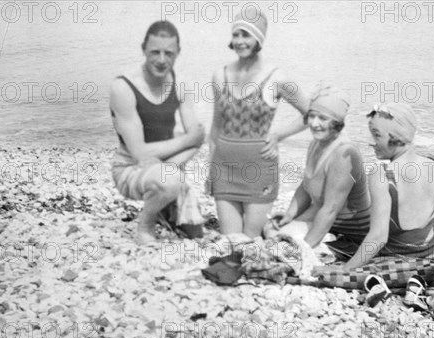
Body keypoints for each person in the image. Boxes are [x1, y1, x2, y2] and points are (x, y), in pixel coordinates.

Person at [207, 10, 309, 238]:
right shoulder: (219, 75)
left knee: (251, 239)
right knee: (232, 241)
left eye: (247, 35)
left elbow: (311, 113)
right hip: (224, 168)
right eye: (236, 34)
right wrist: (210, 169)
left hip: (260, 169)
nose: (240, 41)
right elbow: (215, 127)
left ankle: (271, 235)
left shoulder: (276, 77)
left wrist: (279, 135)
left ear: (259, 39)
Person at [331, 103, 434, 271]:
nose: (370, 142)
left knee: (344, 242)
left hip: (408, 258)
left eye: (376, 135)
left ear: (396, 138)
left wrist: (345, 269)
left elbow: (378, 238)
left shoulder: (382, 174)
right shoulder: (432, 164)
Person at [110, 21, 205, 244]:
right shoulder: (123, 87)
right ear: (143, 49)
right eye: (155, 52)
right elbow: (139, 153)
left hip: (166, 163)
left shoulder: (181, 84)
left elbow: (197, 139)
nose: (162, 60)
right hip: (129, 169)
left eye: (169, 53)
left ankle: (164, 197)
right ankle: (146, 223)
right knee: (169, 181)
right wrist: (187, 140)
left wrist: (168, 164)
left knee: (194, 233)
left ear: (178, 53)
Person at [265, 85, 371, 260]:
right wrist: (290, 214)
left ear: (337, 123)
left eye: (322, 118)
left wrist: (304, 250)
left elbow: (331, 209)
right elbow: (306, 186)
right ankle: (321, 245)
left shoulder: (344, 154)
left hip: (349, 227)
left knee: (280, 244)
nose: (314, 123)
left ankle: (330, 246)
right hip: (321, 211)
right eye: (312, 116)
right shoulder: (316, 143)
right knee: (270, 228)